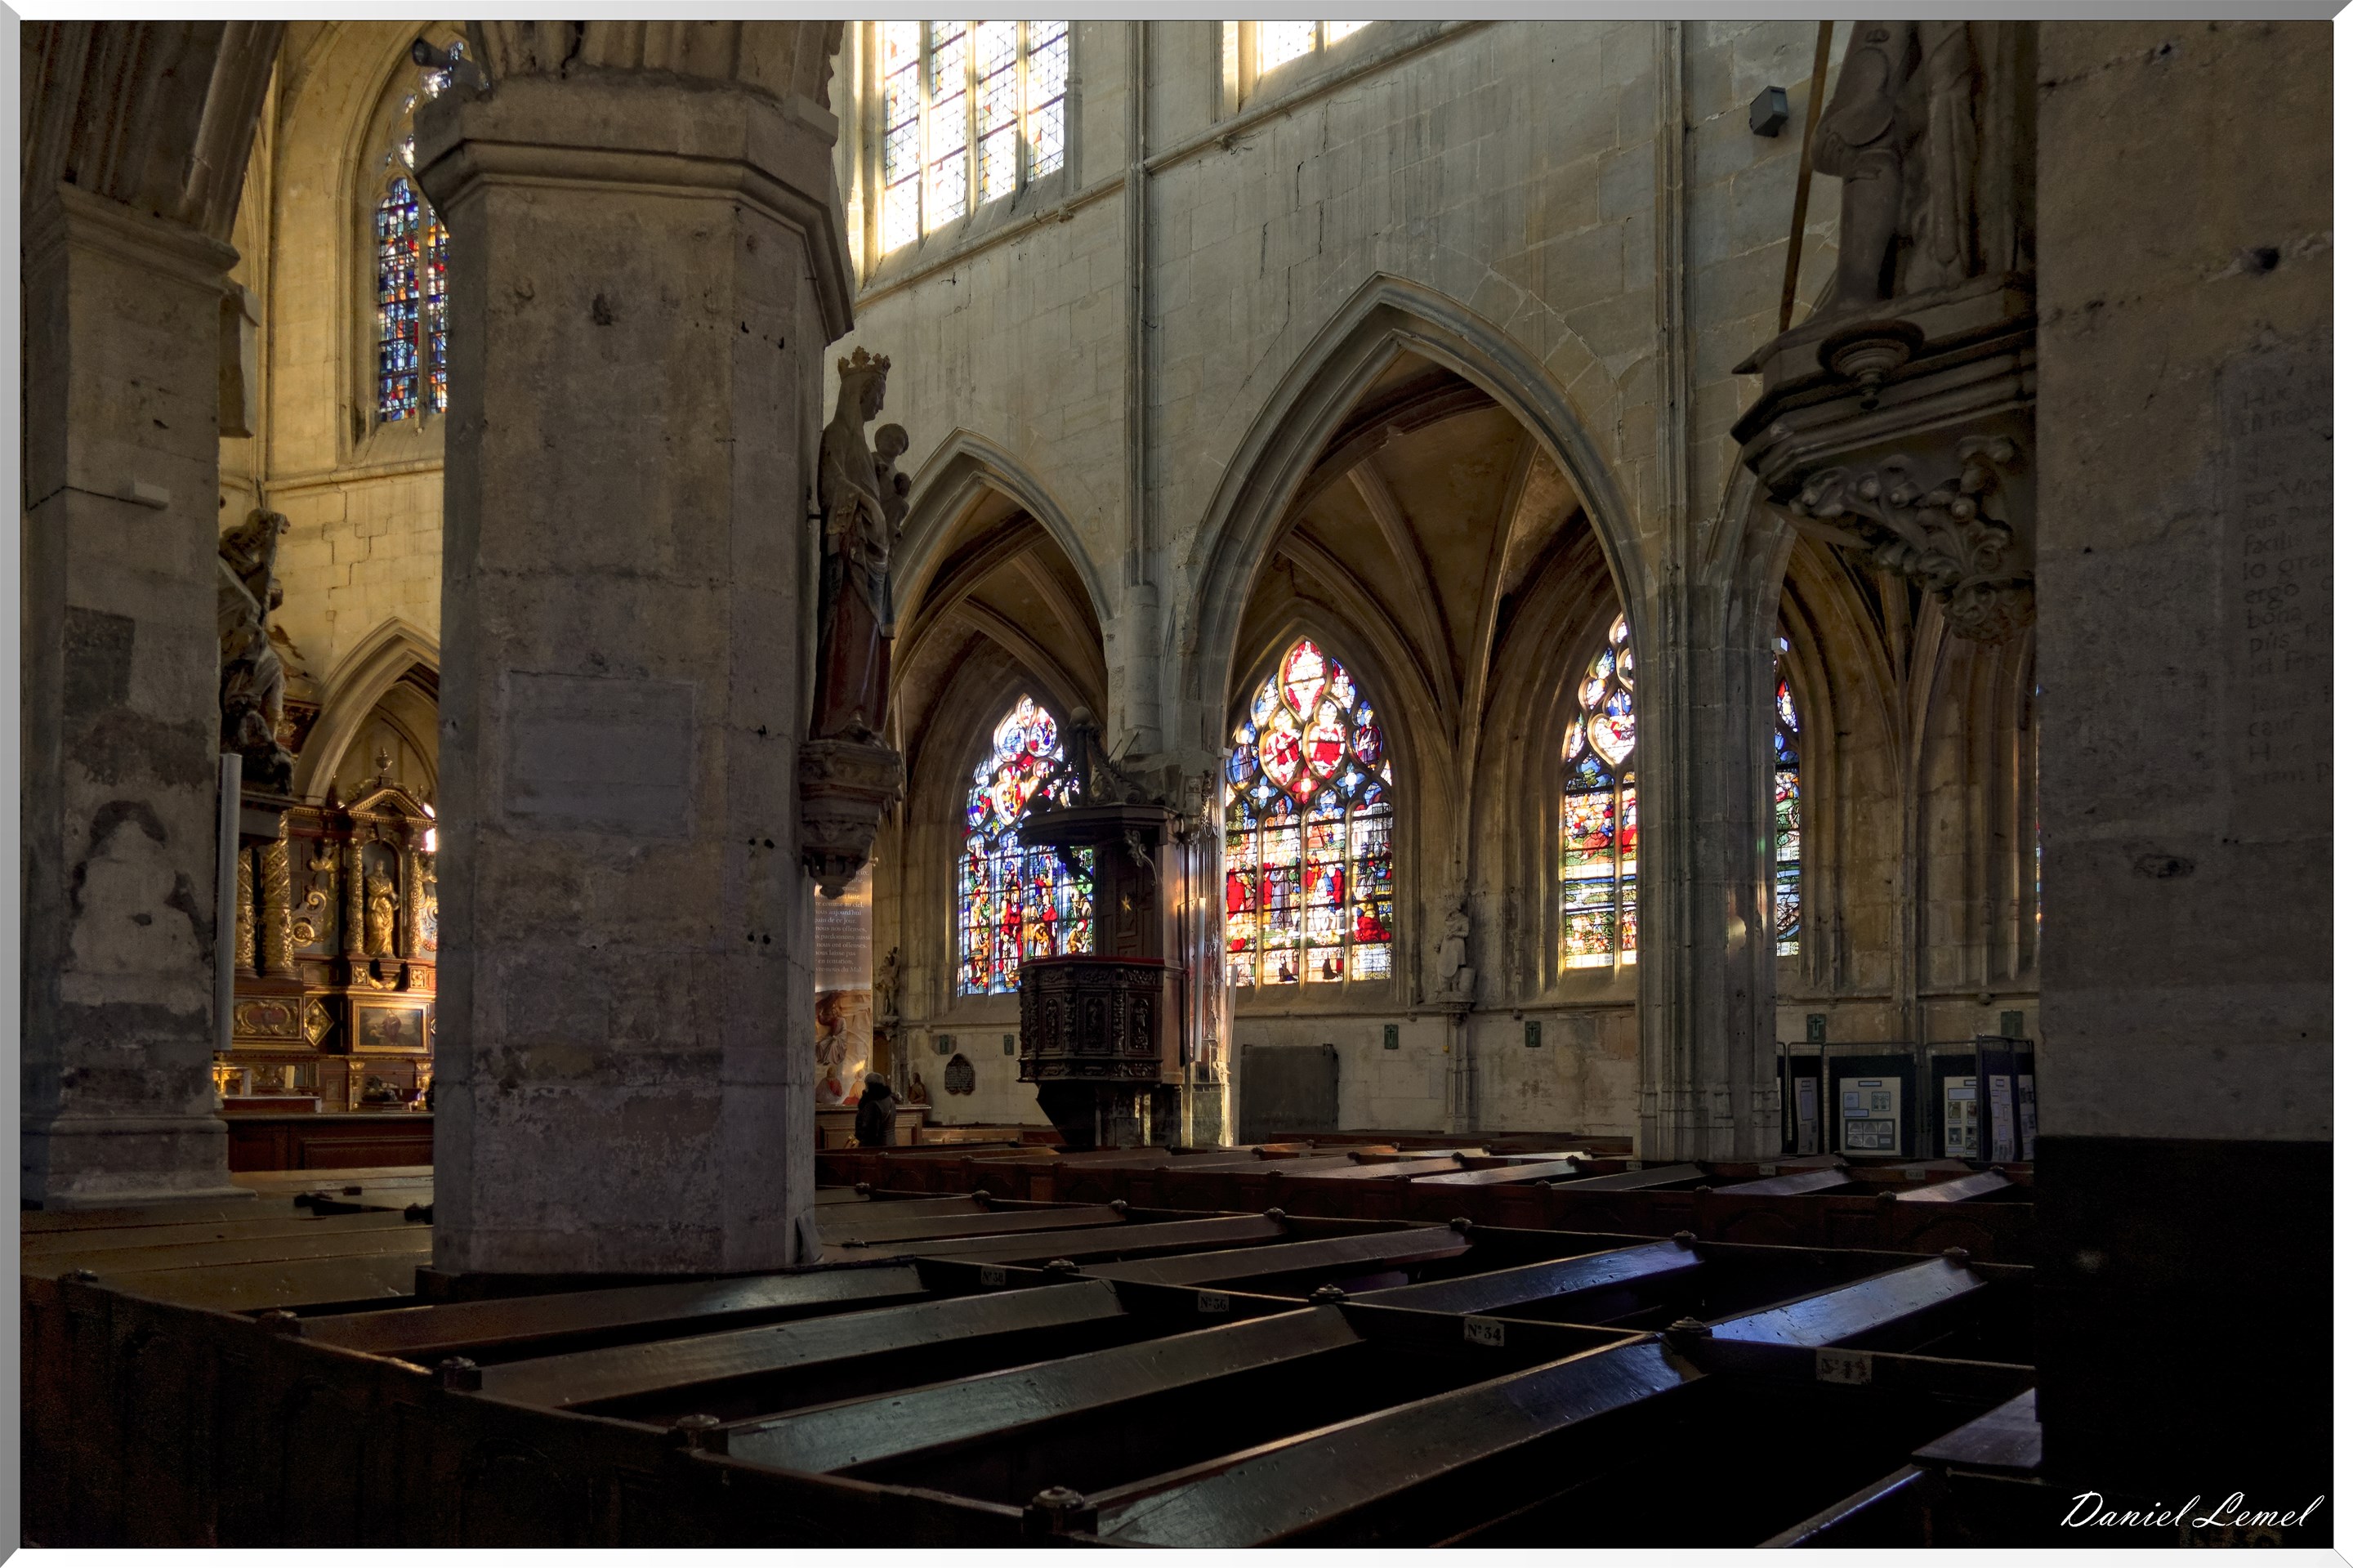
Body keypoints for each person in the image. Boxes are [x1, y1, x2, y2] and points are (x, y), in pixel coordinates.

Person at [853, 1071, 899, 1147]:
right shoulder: (890, 1100)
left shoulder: (873, 1103)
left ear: (870, 1085)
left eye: (866, 1085)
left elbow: (869, 1132)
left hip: (876, 1147)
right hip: (891, 1144)